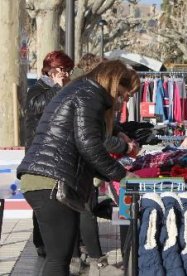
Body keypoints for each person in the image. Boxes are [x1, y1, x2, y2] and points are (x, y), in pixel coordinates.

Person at [17, 60, 136, 276]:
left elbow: (85, 150)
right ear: (113, 82)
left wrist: (113, 174)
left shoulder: (83, 90)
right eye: (123, 93)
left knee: (60, 258)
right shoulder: (89, 95)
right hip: (51, 181)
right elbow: (88, 144)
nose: (123, 100)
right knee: (58, 259)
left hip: (47, 178)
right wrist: (123, 174)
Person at [23, 50, 74, 257]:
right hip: (38, 152)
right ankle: (40, 241)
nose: (66, 74)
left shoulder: (62, 87)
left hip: (56, 151)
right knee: (42, 199)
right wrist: (57, 87)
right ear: (52, 69)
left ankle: (56, 239)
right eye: (63, 69)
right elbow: (35, 106)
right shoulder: (38, 88)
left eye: (68, 70)